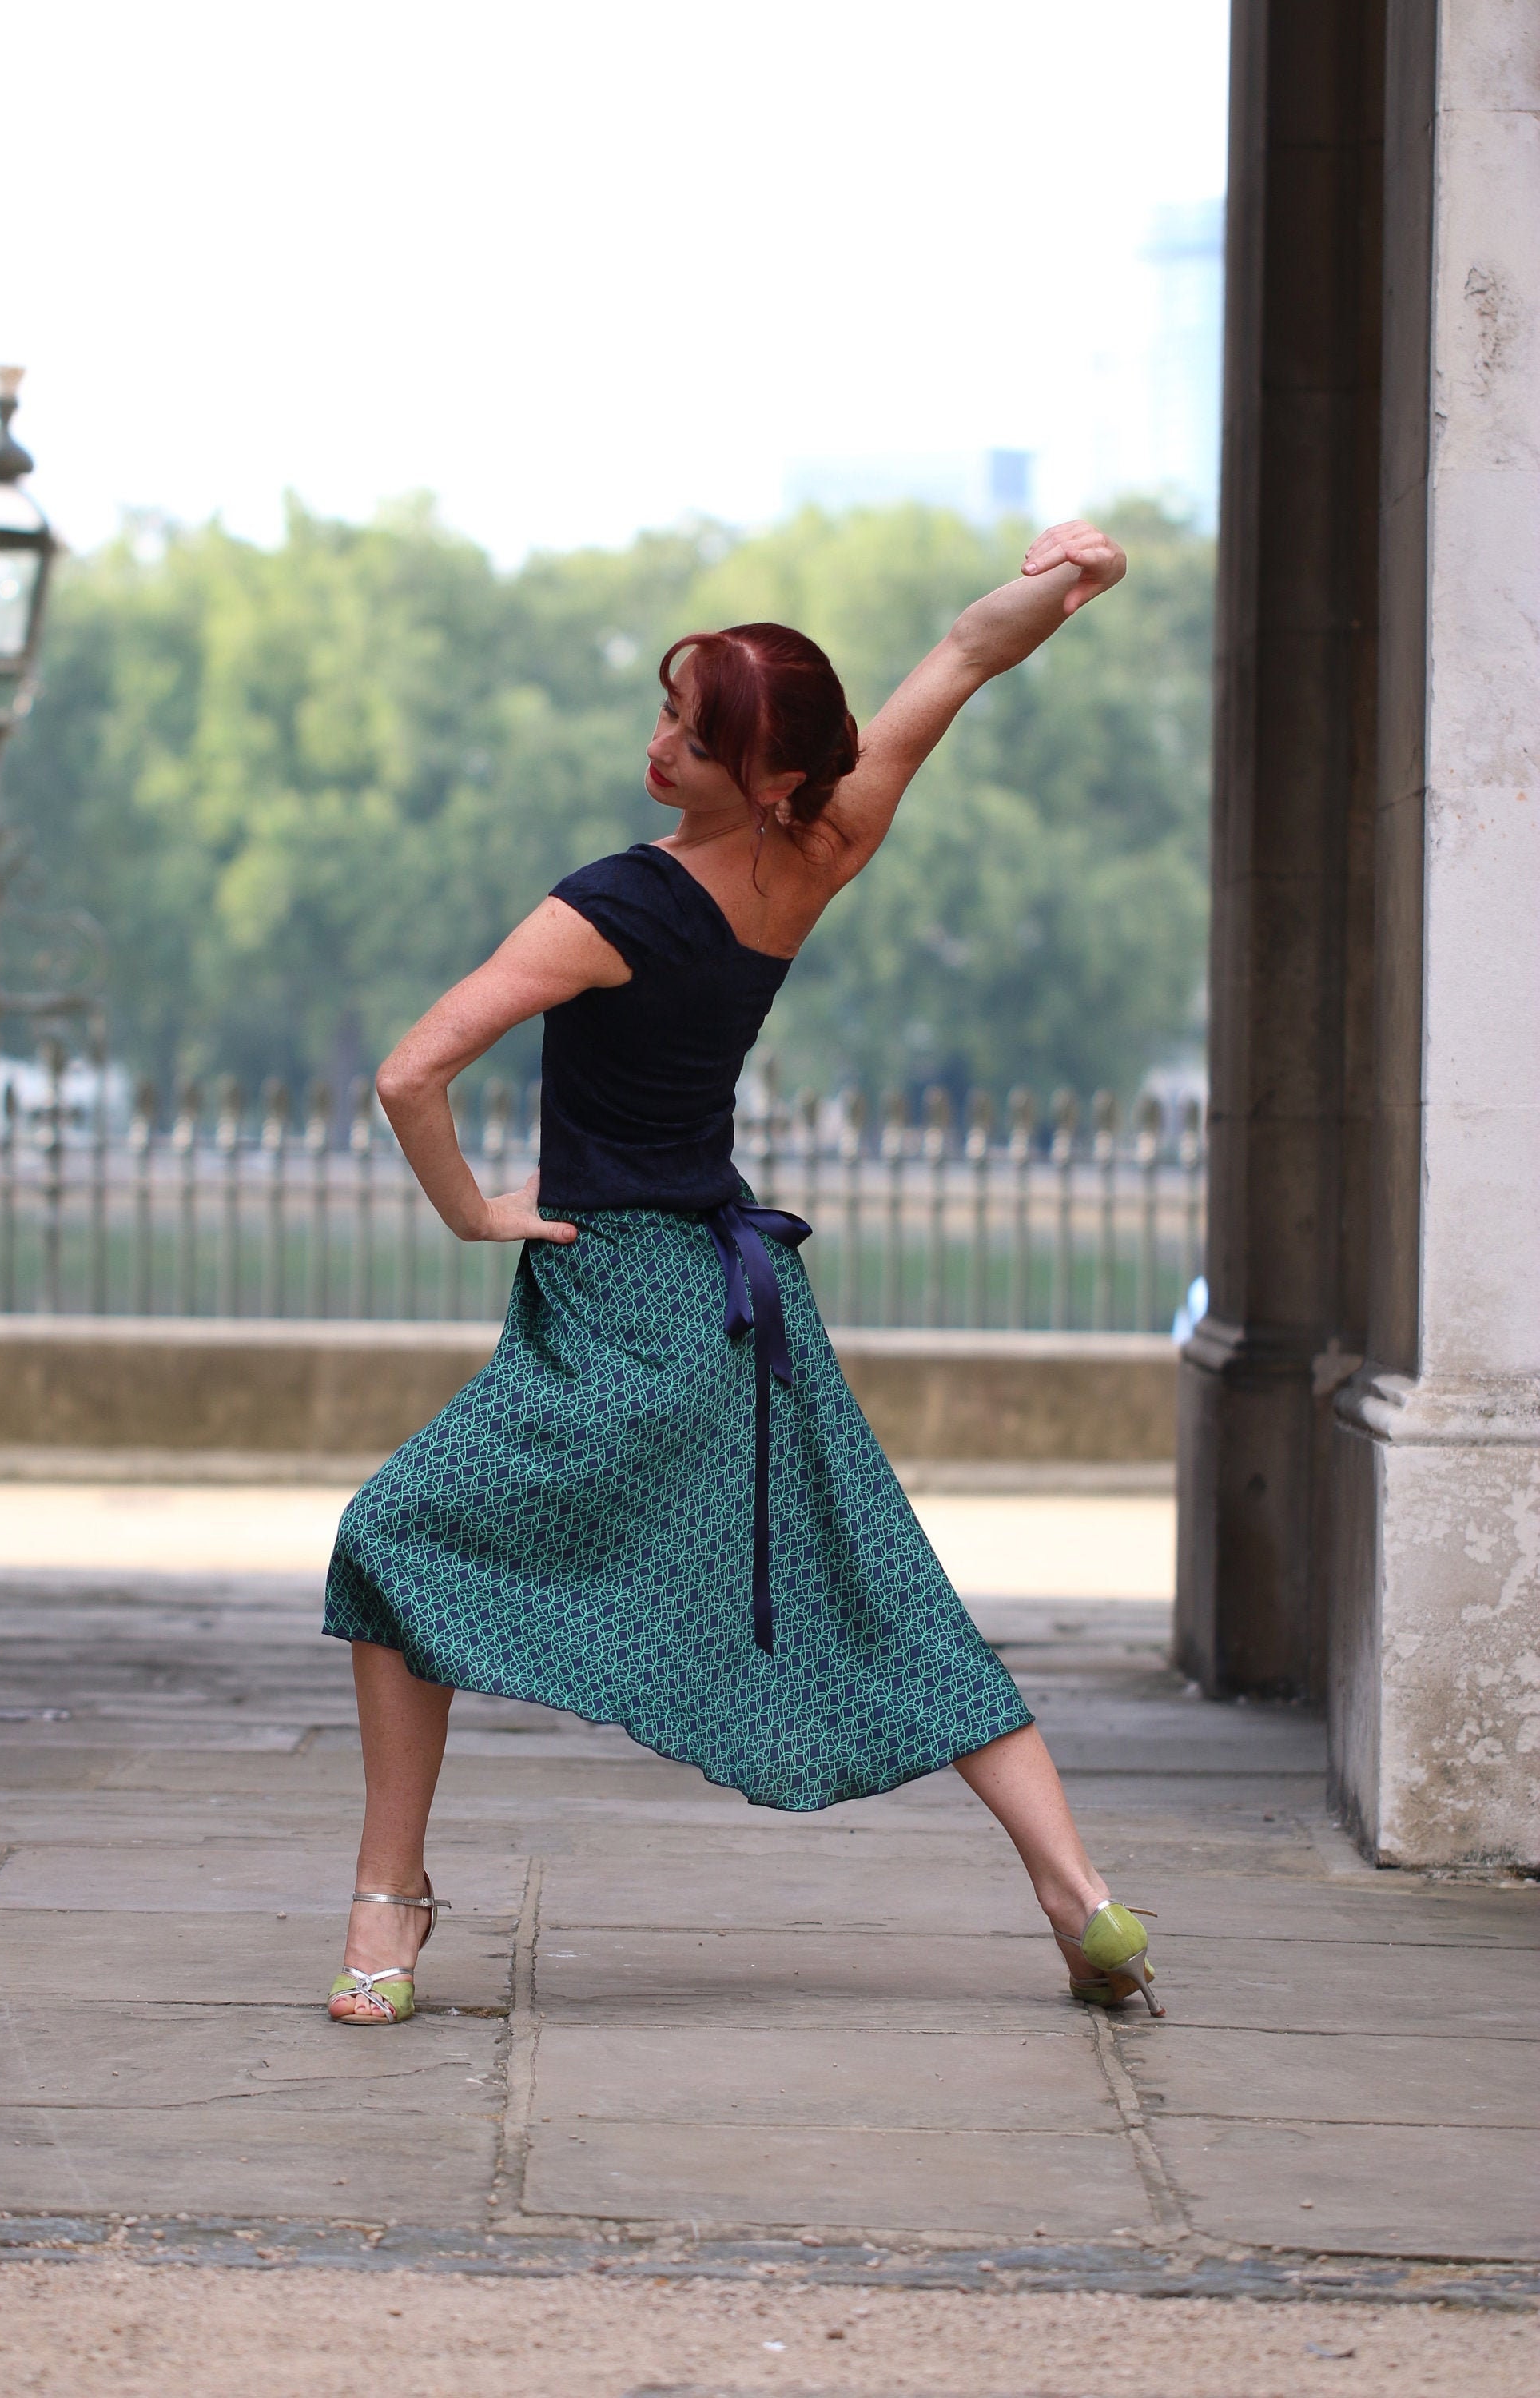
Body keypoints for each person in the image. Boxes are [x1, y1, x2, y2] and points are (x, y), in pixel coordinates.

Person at [323, 519, 1162, 2027]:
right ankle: (1080, 1898)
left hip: (624, 1302)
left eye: (694, 738)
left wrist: (473, 1217)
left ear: (767, 775)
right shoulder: (822, 846)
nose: (659, 747)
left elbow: (409, 1073)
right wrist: (1066, 584)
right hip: (742, 1297)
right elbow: (961, 658)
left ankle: (388, 1904)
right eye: (666, 713)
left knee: (390, 1540)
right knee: (882, 1582)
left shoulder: (613, 907)